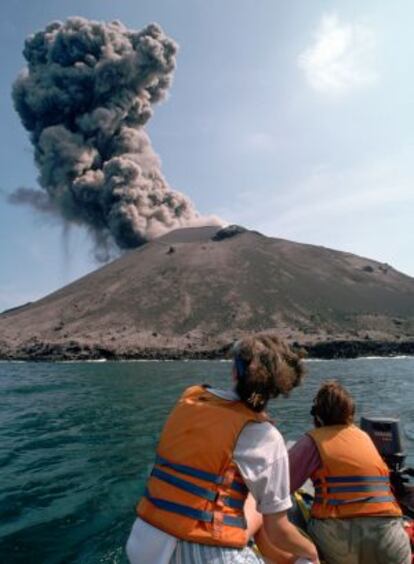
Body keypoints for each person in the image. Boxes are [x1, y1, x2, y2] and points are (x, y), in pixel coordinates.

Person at [126, 333, 319, 563]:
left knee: (253, 504)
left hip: (142, 543)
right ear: (278, 388)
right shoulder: (265, 436)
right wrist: (312, 552)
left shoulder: (192, 398)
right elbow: (278, 531)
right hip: (194, 553)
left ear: (235, 372)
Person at [289, 380, 411, 564]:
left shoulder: (312, 441)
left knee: (283, 508)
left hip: (339, 540)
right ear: (350, 414)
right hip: (390, 537)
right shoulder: (365, 438)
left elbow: (279, 487)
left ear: (318, 416)